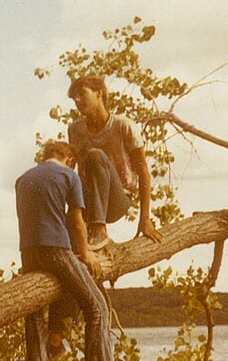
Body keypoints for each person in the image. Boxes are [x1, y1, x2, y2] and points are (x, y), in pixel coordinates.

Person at [15, 140, 129, 361]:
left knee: (34, 314)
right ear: (70, 159)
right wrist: (85, 253)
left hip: (28, 253)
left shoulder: (22, 180)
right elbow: (76, 221)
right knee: (97, 307)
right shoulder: (69, 175)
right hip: (56, 249)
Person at [66, 75, 162, 249]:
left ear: (99, 93)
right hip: (88, 200)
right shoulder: (75, 130)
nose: (77, 101)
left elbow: (143, 173)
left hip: (117, 199)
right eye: (74, 98)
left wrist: (145, 219)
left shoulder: (123, 126)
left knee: (95, 155)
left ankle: (99, 229)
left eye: (82, 94)